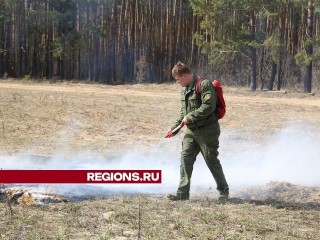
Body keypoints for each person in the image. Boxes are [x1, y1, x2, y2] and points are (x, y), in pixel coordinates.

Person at [164, 61, 229, 201]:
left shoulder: (204, 84)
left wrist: (190, 116)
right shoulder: (185, 89)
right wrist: (174, 129)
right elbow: (183, 113)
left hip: (208, 131)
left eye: (178, 79)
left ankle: (223, 191)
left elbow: (208, 107)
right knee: (185, 160)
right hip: (191, 132)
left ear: (186, 75)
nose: (177, 82)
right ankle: (182, 194)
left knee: (211, 161)